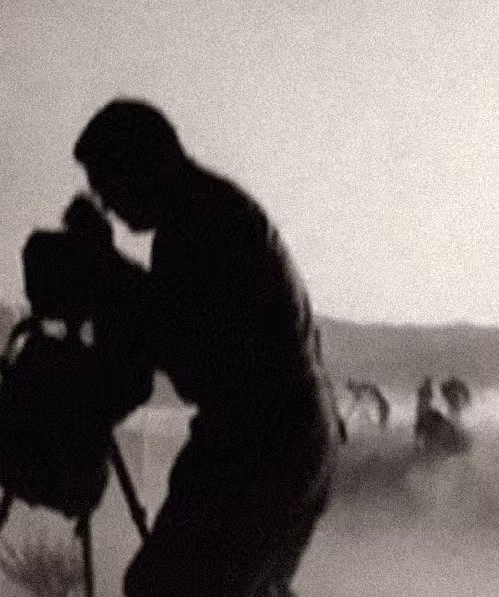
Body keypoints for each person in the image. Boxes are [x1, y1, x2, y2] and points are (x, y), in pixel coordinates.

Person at [71, 99, 338, 597]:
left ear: (139, 166)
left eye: (107, 187)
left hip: (263, 438)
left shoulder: (198, 224)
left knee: (163, 586)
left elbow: (194, 362)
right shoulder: (210, 211)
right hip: (294, 434)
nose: (108, 206)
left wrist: (111, 275)